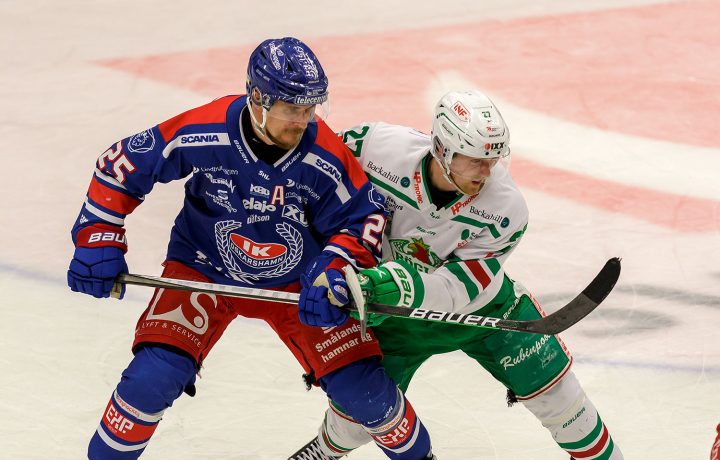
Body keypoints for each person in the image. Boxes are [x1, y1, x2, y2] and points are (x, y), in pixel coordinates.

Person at [67, 37, 436, 460]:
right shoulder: (206, 128)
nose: (304, 120)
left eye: (312, 108)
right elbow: (121, 166)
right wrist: (98, 234)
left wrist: (334, 268)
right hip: (203, 268)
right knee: (151, 379)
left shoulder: (324, 154)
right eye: (293, 108)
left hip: (299, 282)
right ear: (258, 99)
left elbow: (363, 217)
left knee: (366, 393)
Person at [290, 90, 623, 459]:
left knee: (562, 402)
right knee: (358, 415)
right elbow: (314, 177)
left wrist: (394, 282)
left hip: (482, 310)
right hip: (390, 315)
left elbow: (459, 288)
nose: (487, 171)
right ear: (442, 149)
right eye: (477, 160)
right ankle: (321, 451)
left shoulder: (506, 207)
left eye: (493, 159)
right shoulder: (373, 146)